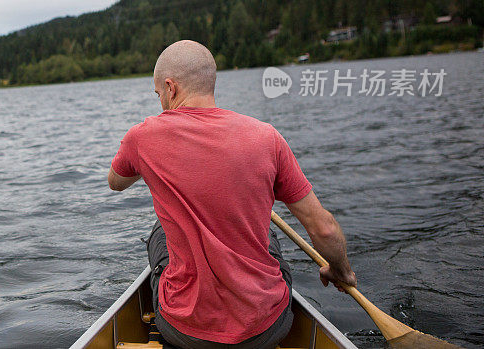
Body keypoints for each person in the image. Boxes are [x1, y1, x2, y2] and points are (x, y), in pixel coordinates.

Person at [108, 40, 357, 349]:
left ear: (170, 88)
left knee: (160, 232)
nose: (160, 101)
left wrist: (148, 161)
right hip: (265, 329)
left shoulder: (141, 137)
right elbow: (324, 228)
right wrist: (340, 270)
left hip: (185, 332)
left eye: (158, 94)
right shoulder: (267, 136)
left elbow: (115, 182)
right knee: (268, 233)